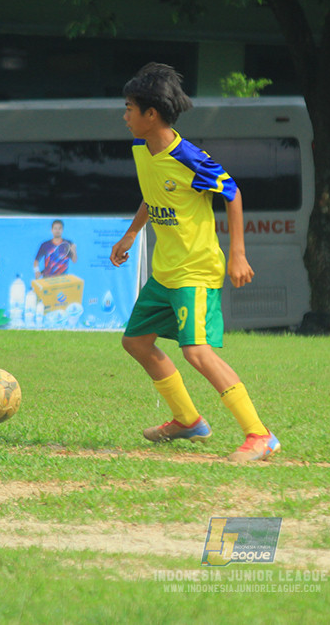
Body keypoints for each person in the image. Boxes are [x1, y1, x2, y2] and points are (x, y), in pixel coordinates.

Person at [110, 62, 279, 462]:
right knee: (135, 341)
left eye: (130, 108)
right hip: (164, 271)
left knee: (197, 351)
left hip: (196, 271)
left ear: (151, 115)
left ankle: (259, 434)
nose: (125, 115)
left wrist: (237, 253)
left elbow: (232, 192)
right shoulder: (141, 149)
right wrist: (132, 233)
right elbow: (154, 196)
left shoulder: (188, 157)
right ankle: (187, 420)